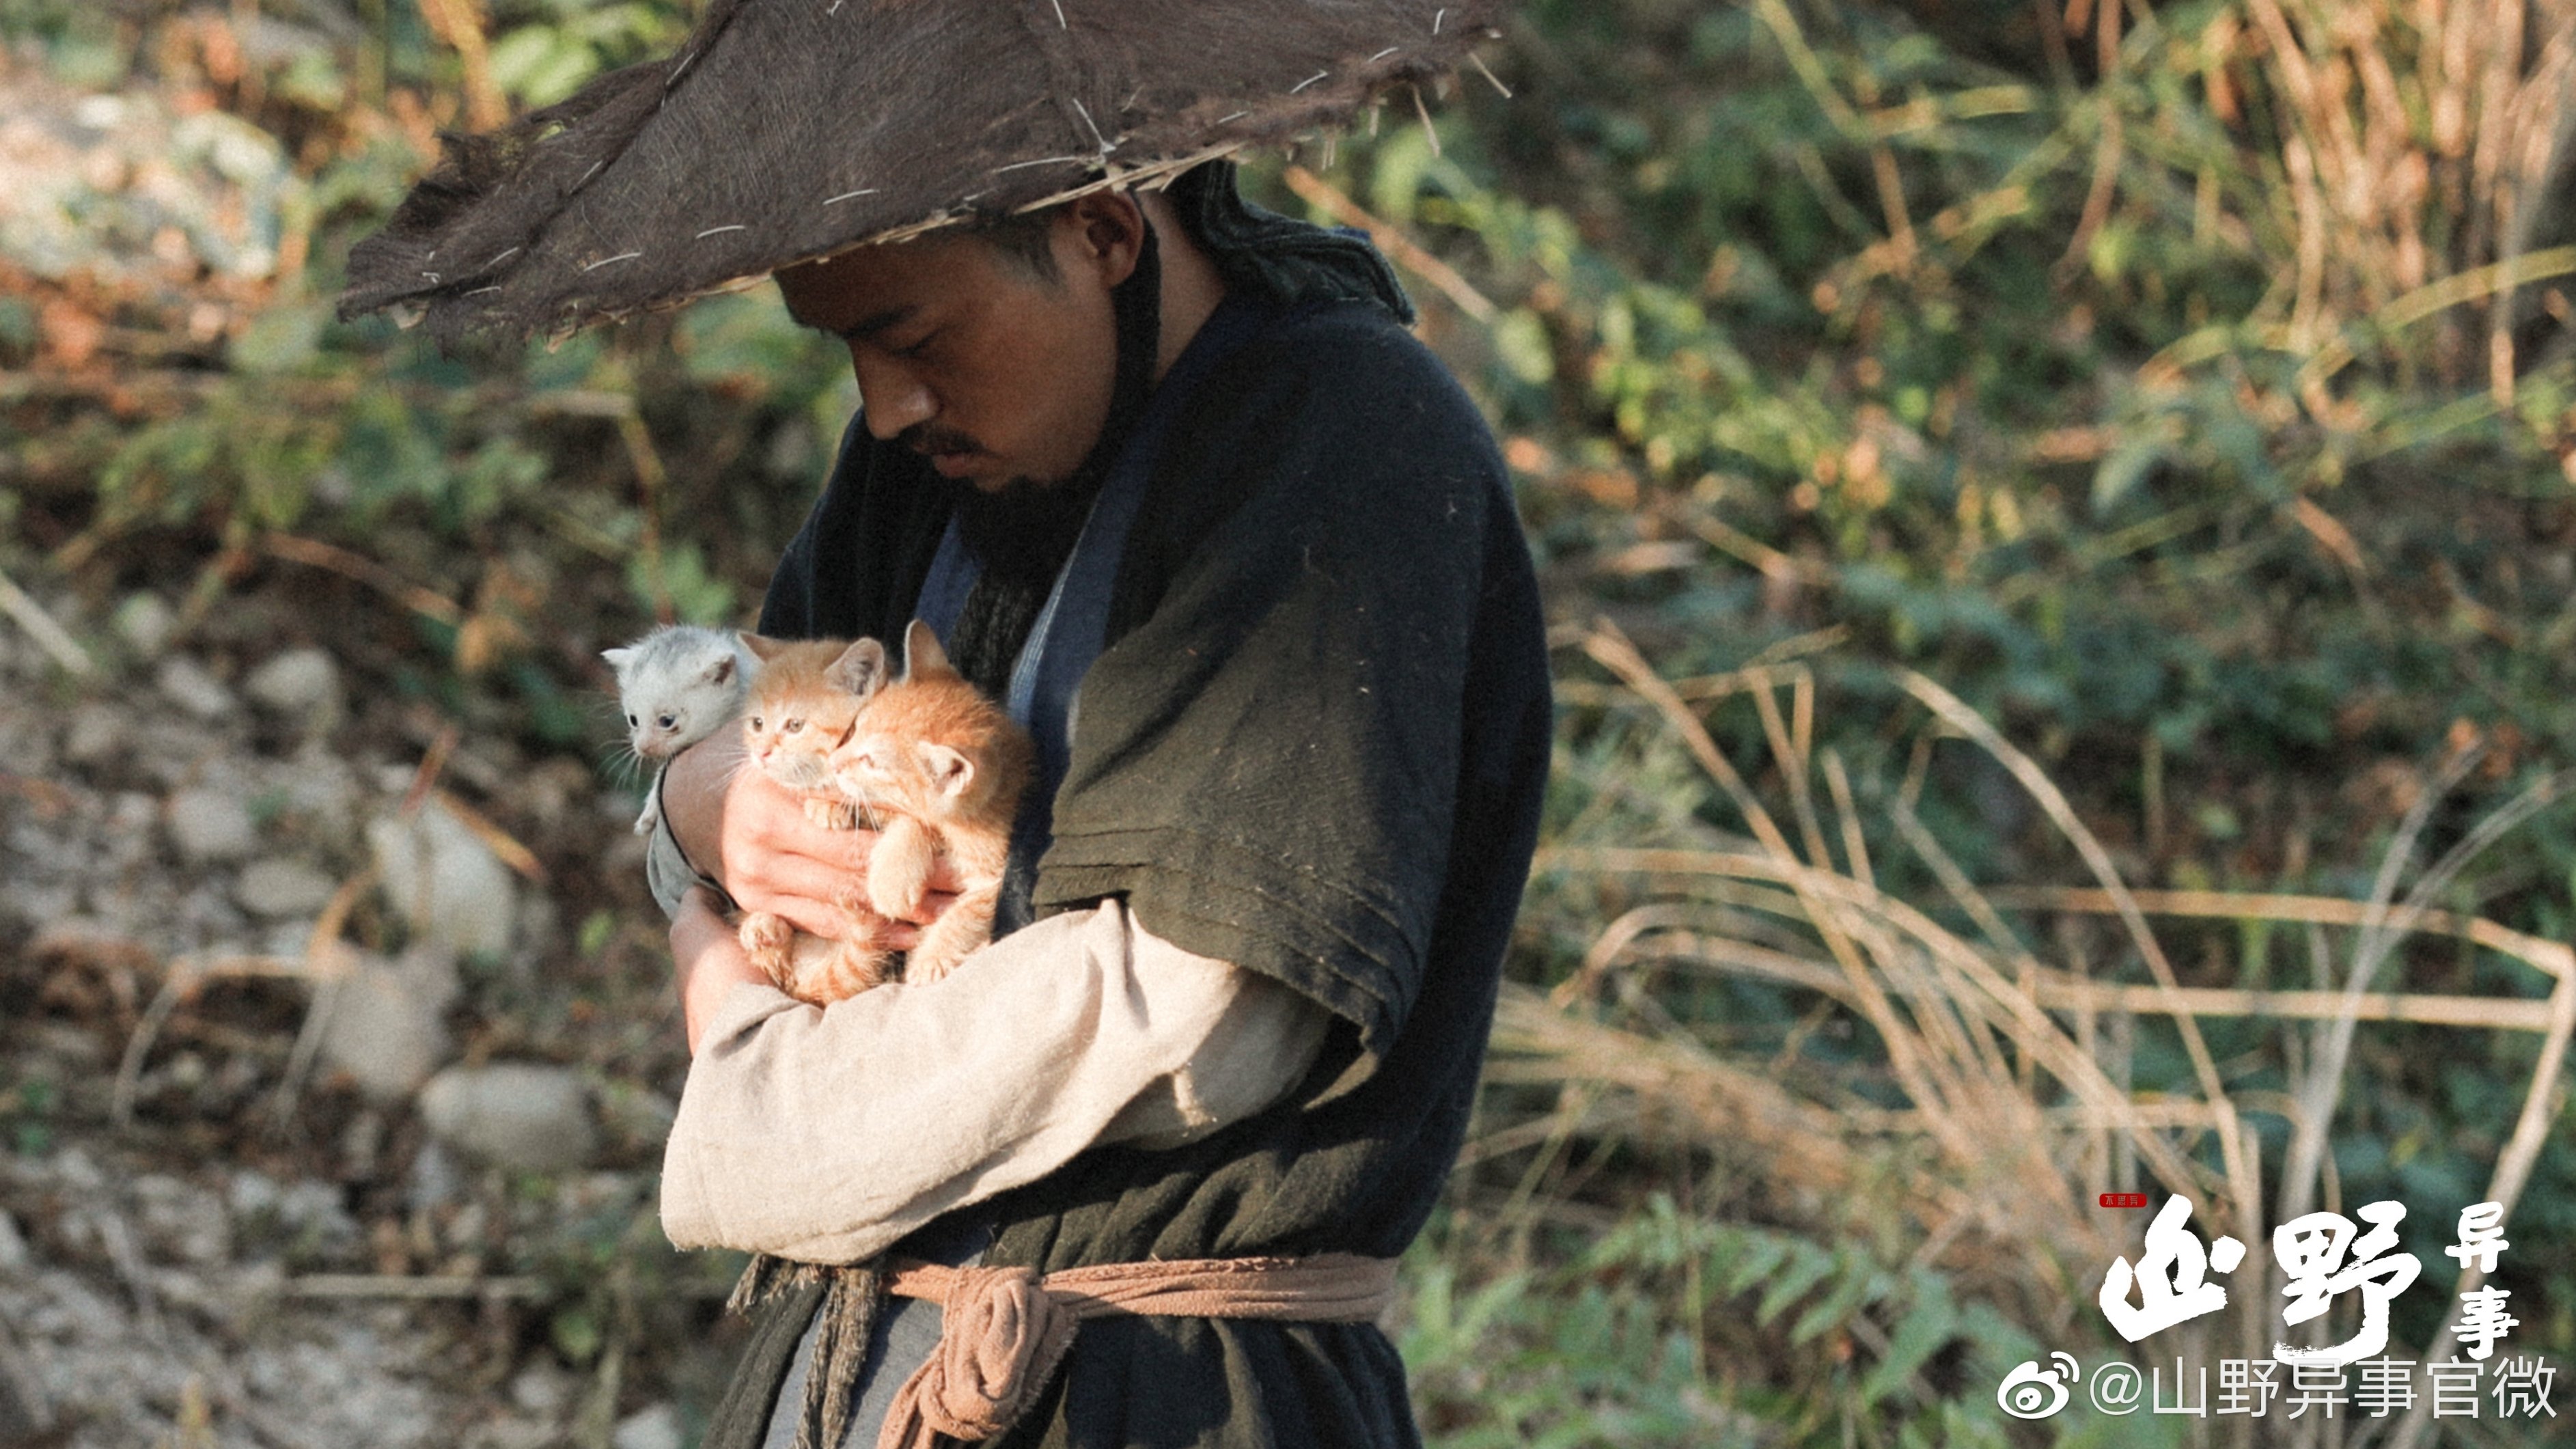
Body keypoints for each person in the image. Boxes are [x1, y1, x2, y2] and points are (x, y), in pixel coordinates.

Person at [338, 5, 1542, 1444]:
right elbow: (729, 766)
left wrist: (759, 1100)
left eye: (912, 334)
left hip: (1158, 1392)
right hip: (856, 1357)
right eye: (844, 345)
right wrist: (699, 808)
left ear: (1101, 230)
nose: (884, 400)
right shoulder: (925, 461)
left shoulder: (1343, 440)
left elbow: (1204, 1010)